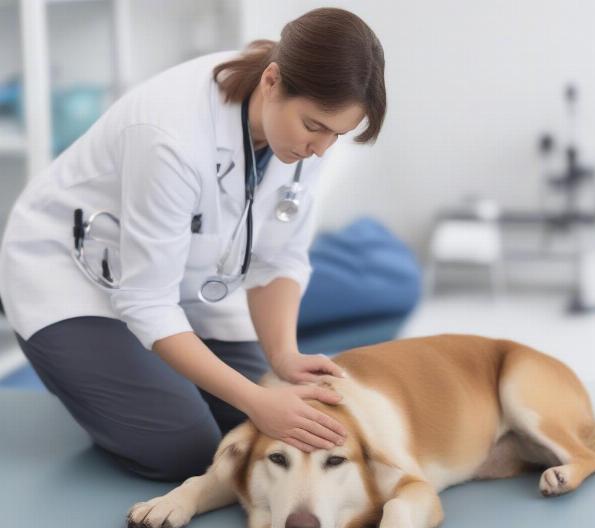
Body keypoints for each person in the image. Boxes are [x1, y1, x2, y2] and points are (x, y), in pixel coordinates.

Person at [0, 7, 386, 482]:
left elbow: (278, 257)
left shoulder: (306, 129)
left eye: (337, 134)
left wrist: (283, 356)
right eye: (315, 127)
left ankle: (138, 381)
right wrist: (258, 398)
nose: (322, 148)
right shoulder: (171, 134)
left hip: (184, 282)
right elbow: (146, 300)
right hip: (71, 276)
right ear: (271, 81)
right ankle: (92, 373)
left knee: (263, 434)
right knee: (189, 451)